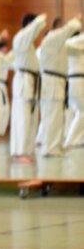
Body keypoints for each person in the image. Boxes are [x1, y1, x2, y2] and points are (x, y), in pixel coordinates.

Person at [36, 16, 80, 157]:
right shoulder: (52, 38)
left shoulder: (59, 44)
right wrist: (77, 19)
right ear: (58, 27)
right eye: (63, 26)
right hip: (51, 81)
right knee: (51, 116)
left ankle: (54, 146)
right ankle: (49, 148)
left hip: (57, 82)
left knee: (56, 116)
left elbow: (76, 47)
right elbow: (70, 29)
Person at [11, 13, 48, 162]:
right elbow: (35, 28)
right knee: (22, 118)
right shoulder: (21, 38)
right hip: (23, 81)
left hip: (31, 81)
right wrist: (41, 19)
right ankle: (19, 153)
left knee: (31, 118)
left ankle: (26, 150)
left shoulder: (28, 44)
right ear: (29, 25)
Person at [64, 29, 84, 151]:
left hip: (76, 80)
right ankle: (71, 140)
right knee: (82, 111)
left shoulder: (76, 48)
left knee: (78, 111)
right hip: (76, 80)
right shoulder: (71, 43)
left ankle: (77, 139)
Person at [0, 31, 12, 140]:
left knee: (5, 111)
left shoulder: (3, 58)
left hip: (3, 87)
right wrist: (0, 36)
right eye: (5, 48)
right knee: (1, 111)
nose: (6, 51)